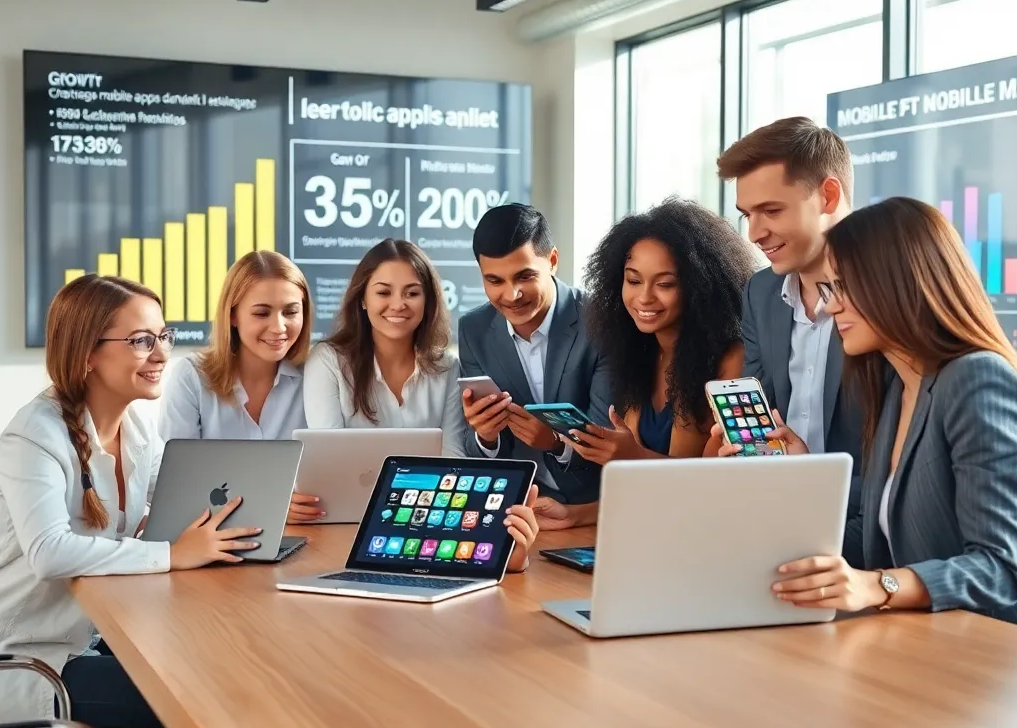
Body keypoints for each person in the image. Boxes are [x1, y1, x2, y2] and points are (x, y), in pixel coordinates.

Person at [752, 198, 1017, 645]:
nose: (830, 307)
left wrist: (878, 586)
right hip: (937, 642)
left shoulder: (980, 381)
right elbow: (880, 542)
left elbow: (1004, 568)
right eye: (829, 289)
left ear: (898, 285)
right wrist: (798, 478)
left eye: (844, 287)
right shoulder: (898, 387)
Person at [0, 275, 265, 728]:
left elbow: (182, 498)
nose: (163, 354)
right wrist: (171, 553)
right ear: (87, 352)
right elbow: (50, 552)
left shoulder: (137, 430)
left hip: (77, 637)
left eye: (164, 336)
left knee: (217, 661)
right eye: (142, 340)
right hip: (10, 661)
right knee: (201, 696)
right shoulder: (35, 434)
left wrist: (260, 513)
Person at [717, 117, 866, 530]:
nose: (753, 234)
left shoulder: (888, 294)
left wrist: (811, 479)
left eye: (771, 211)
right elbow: (765, 422)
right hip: (784, 522)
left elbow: (913, 479)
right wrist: (747, 453)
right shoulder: (761, 294)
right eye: (747, 214)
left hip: (873, 540)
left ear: (828, 196)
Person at [573, 197, 759, 472]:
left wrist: (632, 456)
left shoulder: (732, 359)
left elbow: (715, 481)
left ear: (700, 288)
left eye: (664, 284)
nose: (644, 297)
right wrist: (573, 515)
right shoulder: (642, 352)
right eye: (633, 281)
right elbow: (639, 484)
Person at [458, 204, 610, 530]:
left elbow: (607, 440)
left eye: (524, 277)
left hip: (592, 512)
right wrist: (486, 435)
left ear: (552, 261)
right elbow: (477, 453)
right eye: (494, 280)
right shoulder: (474, 330)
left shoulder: (600, 321)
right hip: (513, 513)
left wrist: (556, 443)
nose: (511, 295)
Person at [159, 250, 323, 523]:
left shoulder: (317, 374)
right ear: (233, 315)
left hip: (305, 535)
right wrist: (269, 500)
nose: (279, 326)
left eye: (291, 311)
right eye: (262, 313)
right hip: (215, 535)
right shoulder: (191, 377)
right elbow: (175, 482)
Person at [303, 239, 465, 456]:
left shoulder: (447, 367)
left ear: (428, 301)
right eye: (383, 293)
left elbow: (452, 455)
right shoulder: (328, 361)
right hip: (350, 490)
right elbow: (328, 458)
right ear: (363, 299)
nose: (398, 305)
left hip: (427, 490)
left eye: (412, 293)